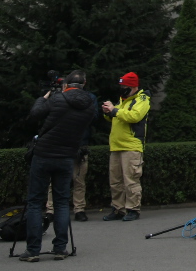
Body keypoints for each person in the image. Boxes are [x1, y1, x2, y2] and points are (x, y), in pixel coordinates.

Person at [24, 68, 97, 260]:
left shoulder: (57, 99)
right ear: (84, 85)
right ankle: (60, 248)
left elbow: (35, 114)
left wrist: (43, 98)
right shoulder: (89, 105)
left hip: (44, 154)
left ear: (66, 85)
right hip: (67, 156)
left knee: (35, 203)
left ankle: (32, 250)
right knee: (62, 202)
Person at [100, 71, 150, 221]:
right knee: (115, 181)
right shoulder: (124, 100)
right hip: (116, 146)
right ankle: (118, 209)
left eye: (125, 86)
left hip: (131, 146)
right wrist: (108, 113)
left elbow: (134, 116)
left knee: (131, 180)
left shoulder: (142, 99)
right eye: (121, 86)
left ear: (133, 86)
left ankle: (133, 209)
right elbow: (118, 117)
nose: (122, 89)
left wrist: (114, 110)